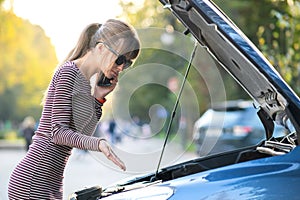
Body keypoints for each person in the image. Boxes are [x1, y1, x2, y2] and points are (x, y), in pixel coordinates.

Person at [8, 19, 140, 200]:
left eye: (127, 64)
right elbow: (58, 133)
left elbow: (82, 133)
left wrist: (99, 98)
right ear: (101, 48)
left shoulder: (85, 82)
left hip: (52, 183)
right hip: (34, 181)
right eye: (120, 59)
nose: (121, 68)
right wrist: (98, 143)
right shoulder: (69, 72)